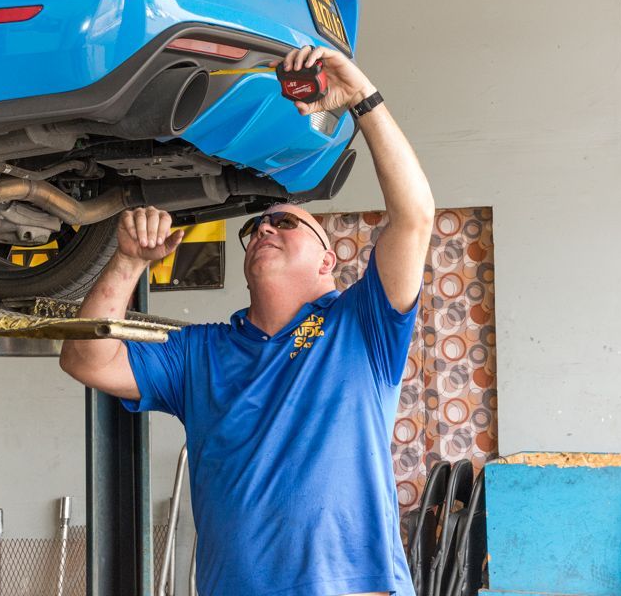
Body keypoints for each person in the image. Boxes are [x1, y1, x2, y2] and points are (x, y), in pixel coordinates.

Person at [60, 45, 435, 596]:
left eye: (284, 222)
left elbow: (414, 215)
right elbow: (85, 358)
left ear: (328, 260)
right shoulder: (200, 353)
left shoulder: (362, 328)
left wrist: (362, 98)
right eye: (255, 227)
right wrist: (128, 263)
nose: (263, 229)